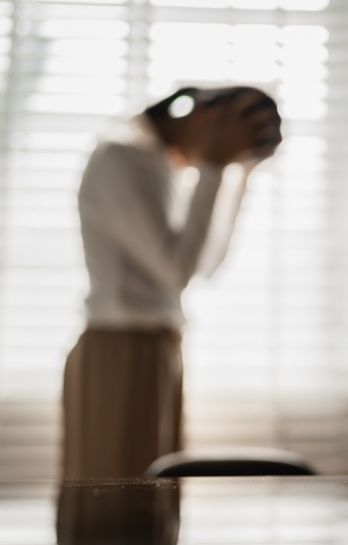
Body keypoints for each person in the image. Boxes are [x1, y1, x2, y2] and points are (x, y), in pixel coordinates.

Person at [62, 87, 282, 479]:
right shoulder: (123, 158)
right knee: (118, 498)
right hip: (121, 348)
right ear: (207, 120)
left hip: (153, 347)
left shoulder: (156, 162)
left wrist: (236, 178)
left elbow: (205, 266)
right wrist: (214, 166)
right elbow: (177, 270)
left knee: (154, 495)